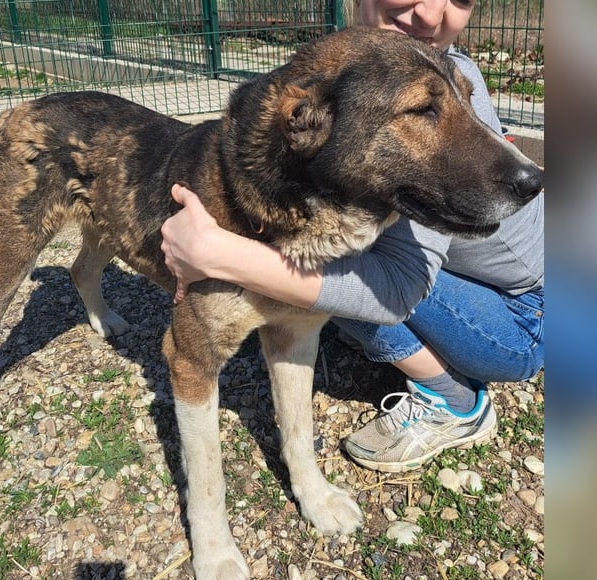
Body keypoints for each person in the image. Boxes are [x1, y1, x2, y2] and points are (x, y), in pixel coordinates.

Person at [160, 0, 544, 473]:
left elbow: (398, 291)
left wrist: (220, 255)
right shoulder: (342, 73)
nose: (430, 15)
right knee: (319, 281)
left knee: (333, 290)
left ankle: (454, 402)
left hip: (522, 318)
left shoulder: (447, 74)